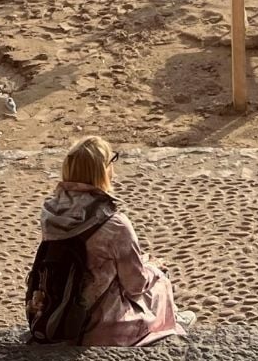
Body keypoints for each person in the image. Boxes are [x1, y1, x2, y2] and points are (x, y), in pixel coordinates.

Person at [39, 137, 192, 346]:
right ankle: (172, 322)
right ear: (102, 171)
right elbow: (136, 284)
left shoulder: (49, 214)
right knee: (160, 279)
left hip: (57, 315)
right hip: (103, 327)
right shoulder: (114, 224)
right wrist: (152, 268)